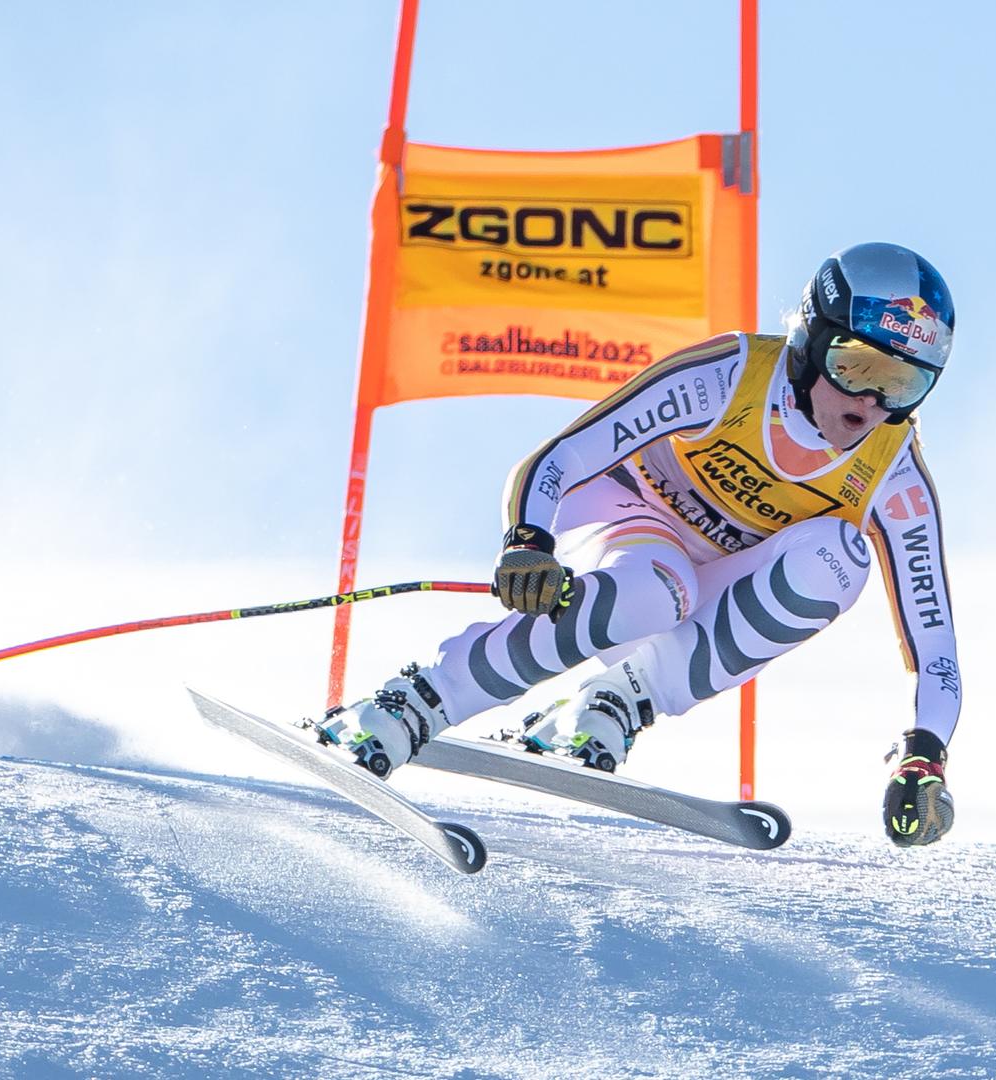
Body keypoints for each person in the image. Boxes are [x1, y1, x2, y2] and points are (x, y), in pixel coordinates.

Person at [324, 242, 963, 847]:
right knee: (659, 590)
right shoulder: (732, 376)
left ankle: (618, 699)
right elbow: (561, 456)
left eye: (905, 385)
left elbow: (933, 641)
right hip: (619, 516)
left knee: (837, 561)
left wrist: (923, 755)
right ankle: (417, 701)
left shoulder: (893, 471)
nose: (872, 403)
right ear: (811, 339)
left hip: (705, 574)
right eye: (857, 367)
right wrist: (527, 541)